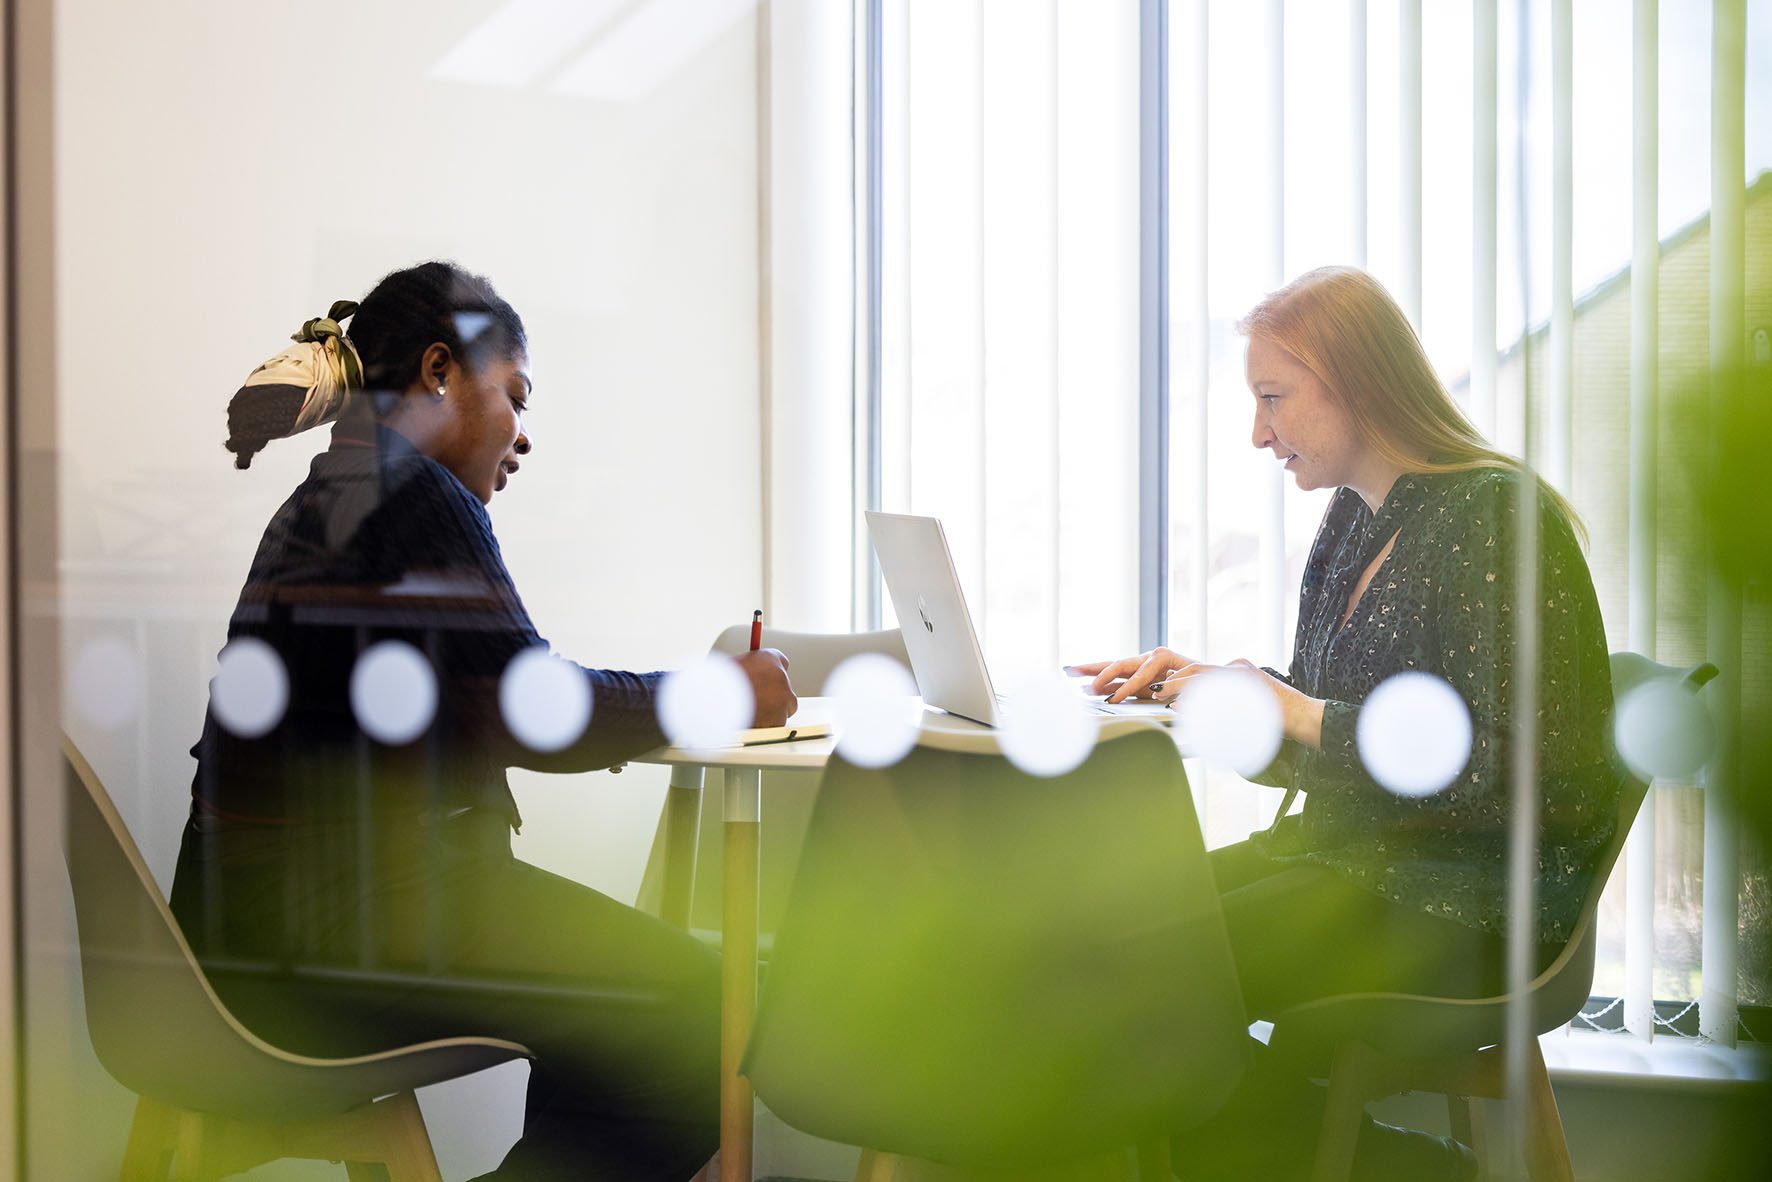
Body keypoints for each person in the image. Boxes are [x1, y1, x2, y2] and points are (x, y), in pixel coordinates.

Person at [168, 261, 796, 1182]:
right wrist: (725, 693)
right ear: (437, 372)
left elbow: (486, 706)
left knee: (625, 1014)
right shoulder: (406, 487)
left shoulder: (340, 491)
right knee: (697, 1011)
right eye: (515, 395)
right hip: (326, 930)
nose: (524, 436)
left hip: (248, 935)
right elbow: (539, 715)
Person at [1074, 266, 1623, 1180]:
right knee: (1107, 932)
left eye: (1273, 397)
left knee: (1149, 969)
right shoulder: (1350, 525)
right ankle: (1372, 1162)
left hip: (1463, 899)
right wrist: (1220, 697)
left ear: (1356, 381)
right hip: (1351, 859)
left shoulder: (1495, 517)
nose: (1258, 433)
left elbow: (1514, 767)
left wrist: (1294, 711)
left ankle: (1384, 1169)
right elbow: (1328, 744)